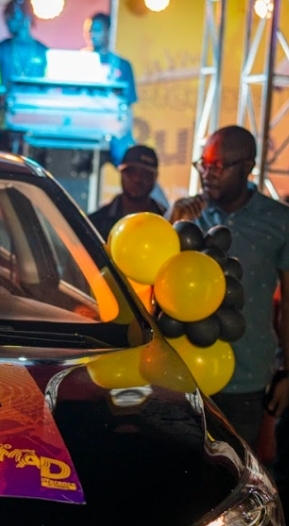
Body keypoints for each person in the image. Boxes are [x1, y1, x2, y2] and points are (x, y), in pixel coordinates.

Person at [166, 125, 289, 449]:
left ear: (248, 166)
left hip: (246, 377)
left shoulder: (279, 221)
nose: (208, 174)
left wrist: (287, 370)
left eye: (219, 166)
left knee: (234, 467)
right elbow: (151, 282)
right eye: (204, 164)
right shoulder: (188, 213)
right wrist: (172, 222)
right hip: (183, 370)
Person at [0, 0, 48, 152]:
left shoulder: (44, 53)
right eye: (6, 16)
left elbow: (49, 91)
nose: (7, 21)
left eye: (12, 16)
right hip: (6, 127)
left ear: (27, 16)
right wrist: (2, 93)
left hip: (36, 128)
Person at [83, 12, 137, 166]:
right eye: (89, 30)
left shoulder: (122, 65)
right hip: (84, 126)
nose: (92, 34)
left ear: (108, 32)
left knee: (129, 159)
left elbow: (128, 103)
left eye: (97, 30)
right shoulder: (79, 61)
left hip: (113, 129)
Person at [88, 145, 165, 240]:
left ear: (155, 177)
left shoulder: (167, 221)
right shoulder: (95, 224)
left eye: (145, 173)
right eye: (131, 171)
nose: (137, 178)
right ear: (121, 172)